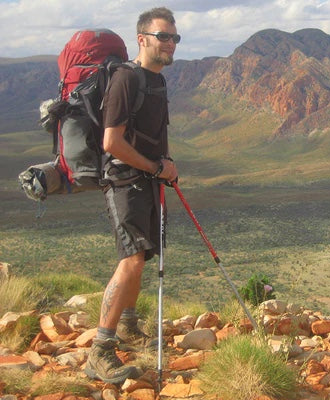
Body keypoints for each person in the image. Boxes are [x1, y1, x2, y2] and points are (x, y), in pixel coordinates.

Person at [84, 7, 179, 384]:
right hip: (124, 182)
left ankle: (127, 325)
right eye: (164, 37)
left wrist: (165, 164)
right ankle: (99, 351)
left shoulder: (157, 82)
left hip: (149, 181)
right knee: (131, 260)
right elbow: (112, 142)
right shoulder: (126, 78)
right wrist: (154, 168)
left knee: (140, 256)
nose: (171, 44)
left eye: (174, 37)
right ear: (143, 39)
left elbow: (156, 133)